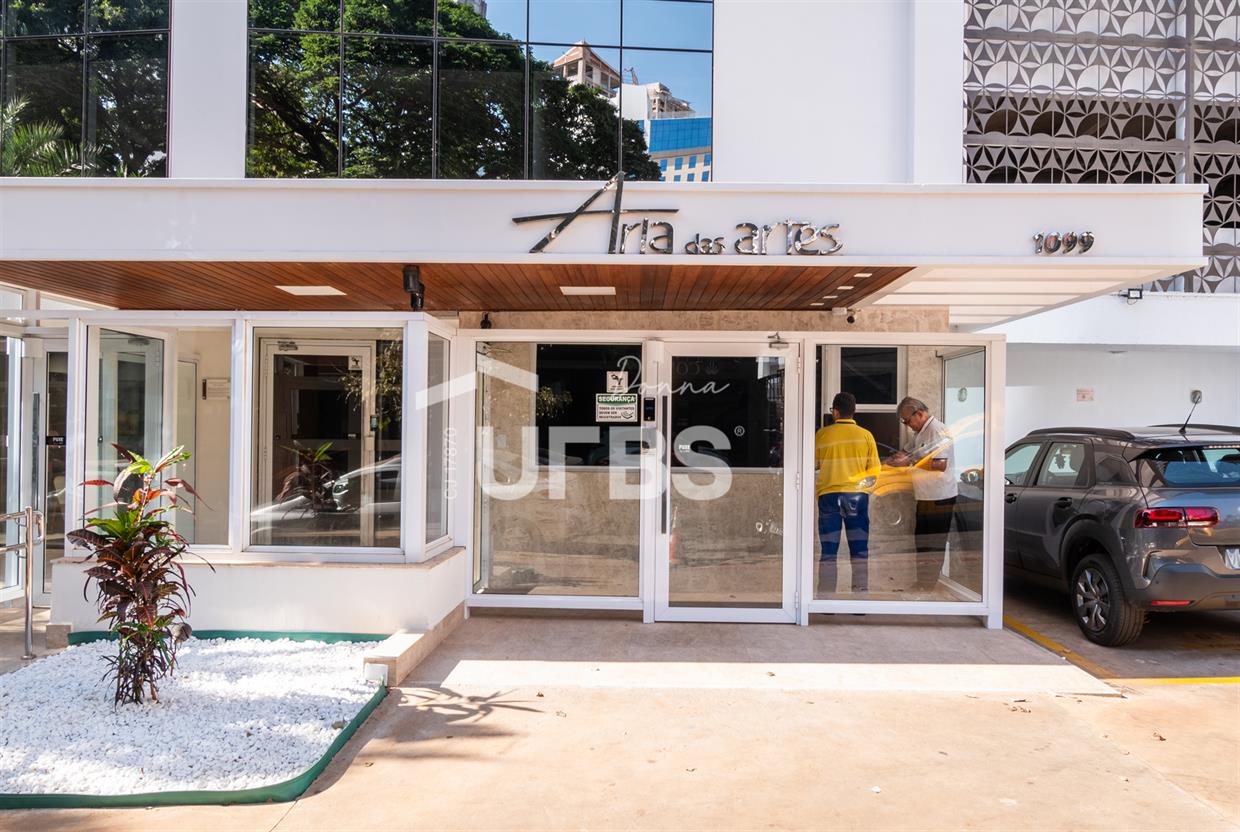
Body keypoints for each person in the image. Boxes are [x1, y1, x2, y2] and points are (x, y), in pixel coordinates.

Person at [889, 396, 958, 592]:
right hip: (925, 495)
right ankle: (922, 583)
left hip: (939, 496)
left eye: (907, 421)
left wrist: (909, 461)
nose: (907, 425)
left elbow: (940, 464)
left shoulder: (937, 430)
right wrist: (894, 459)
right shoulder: (921, 432)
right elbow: (907, 452)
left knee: (933, 544)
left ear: (919, 414)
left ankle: (927, 586)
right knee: (922, 542)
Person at [814, 392, 880, 595]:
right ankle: (860, 596)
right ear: (853, 412)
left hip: (829, 496)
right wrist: (862, 489)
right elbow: (874, 472)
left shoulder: (822, 435)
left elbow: (814, 464)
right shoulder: (866, 435)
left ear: (835, 412)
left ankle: (826, 597)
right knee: (859, 550)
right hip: (857, 497)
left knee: (829, 550)